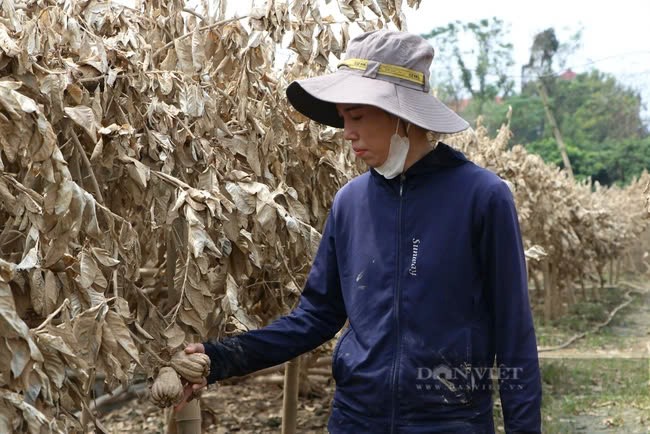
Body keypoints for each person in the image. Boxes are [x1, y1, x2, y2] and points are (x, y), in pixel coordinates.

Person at [178, 30, 542, 433]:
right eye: (343, 118)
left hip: (450, 422)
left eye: (357, 116)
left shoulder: (482, 197)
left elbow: (514, 334)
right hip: (355, 420)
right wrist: (219, 358)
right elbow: (315, 317)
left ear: (402, 116)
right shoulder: (351, 202)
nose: (346, 132)